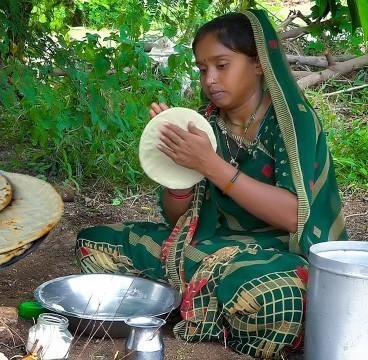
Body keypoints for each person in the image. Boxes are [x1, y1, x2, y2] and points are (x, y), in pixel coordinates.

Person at [75, 9, 347, 359]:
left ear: (258, 64)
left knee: (275, 299)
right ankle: (209, 306)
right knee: (96, 244)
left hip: (277, 256)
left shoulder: (293, 123)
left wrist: (211, 165)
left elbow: (296, 216)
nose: (210, 80)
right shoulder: (204, 125)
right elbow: (178, 220)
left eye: (222, 65)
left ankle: (182, 301)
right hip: (209, 246)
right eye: (203, 69)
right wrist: (178, 171)